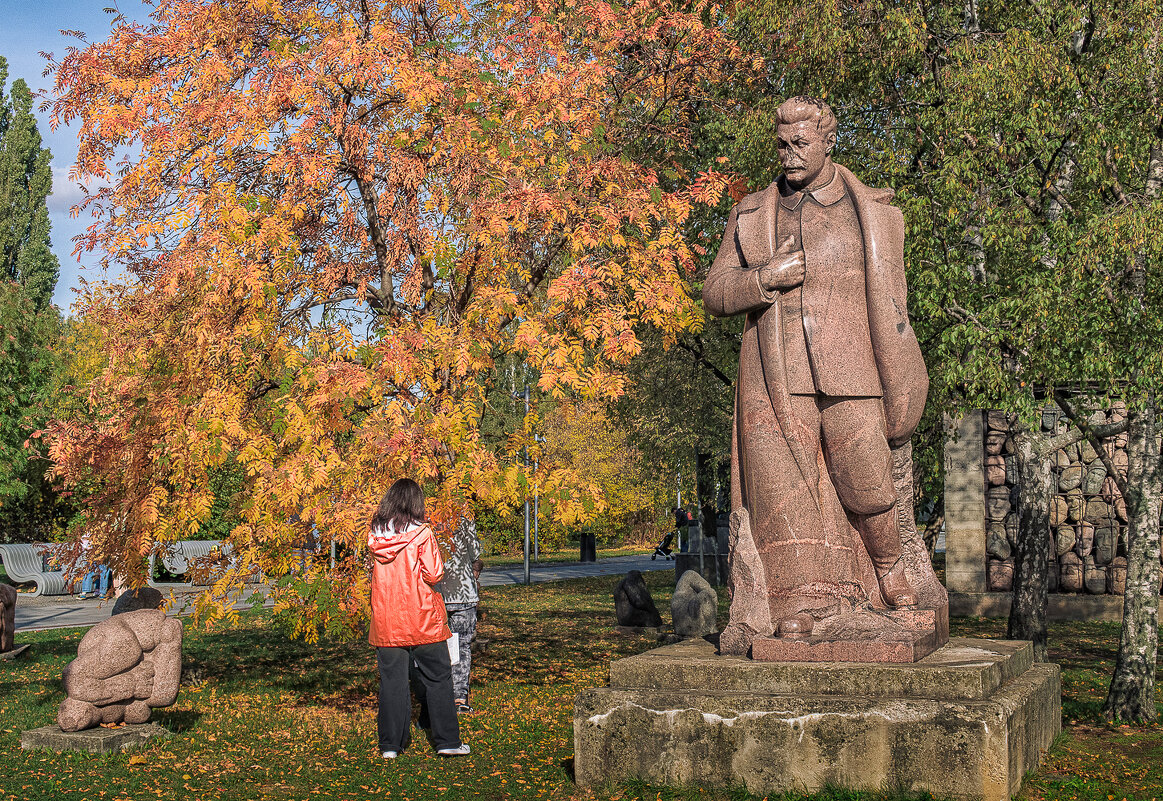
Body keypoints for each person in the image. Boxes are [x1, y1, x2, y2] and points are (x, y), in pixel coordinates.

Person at [703, 96, 931, 644]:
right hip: (776, 377)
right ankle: (800, 605)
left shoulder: (869, 211)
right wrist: (763, 278)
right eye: (781, 144)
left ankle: (891, 570)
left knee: (867, 481)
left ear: (828, 141)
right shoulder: (752, 212)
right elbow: (714, 292)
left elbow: (894, 304)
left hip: (852, 370)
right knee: (787, 497)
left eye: (800, 143)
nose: (789, 154)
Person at [367, 479, 468, 759]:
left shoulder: (376, 534)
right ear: (416, 503)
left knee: (392, 682)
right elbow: (434, 574)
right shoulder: (423, 533)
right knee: (438, 678)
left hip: (387, 619)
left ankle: (390, 746)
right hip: (423, 617)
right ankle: (447, 741)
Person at [434, 517, 483, 714]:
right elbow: (475, 553)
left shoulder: (425, 513)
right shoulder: (465, 516)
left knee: (434, 647)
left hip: (436, 593)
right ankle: (459, 697)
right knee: (462, 646)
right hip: (463, 593)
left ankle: (437, 695)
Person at [78, 534, 111, 600]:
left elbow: (83, 546)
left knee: (88, 572)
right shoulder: (104, 530)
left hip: (89, 555)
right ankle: (102, 593)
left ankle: (84, 593)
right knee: (104, 572)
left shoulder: (86, 533)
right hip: (102, 554)